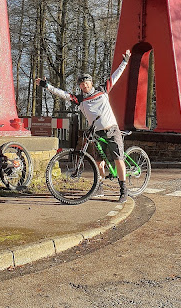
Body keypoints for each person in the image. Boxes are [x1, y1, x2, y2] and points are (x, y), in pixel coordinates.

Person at [35, 49, 132, 203]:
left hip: (112, 130)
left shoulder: (102, 90)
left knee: (118, 159)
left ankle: (123, 190)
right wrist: (46, 86)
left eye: (86, 82)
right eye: (81, 83)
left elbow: (116, 76)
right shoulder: (79, 99)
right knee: (98, 161)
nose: (84, 85)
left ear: (91, 82)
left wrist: (125, 61)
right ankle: (99, 187)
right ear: (80, 86)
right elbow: (62, 94)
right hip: (98, 132)